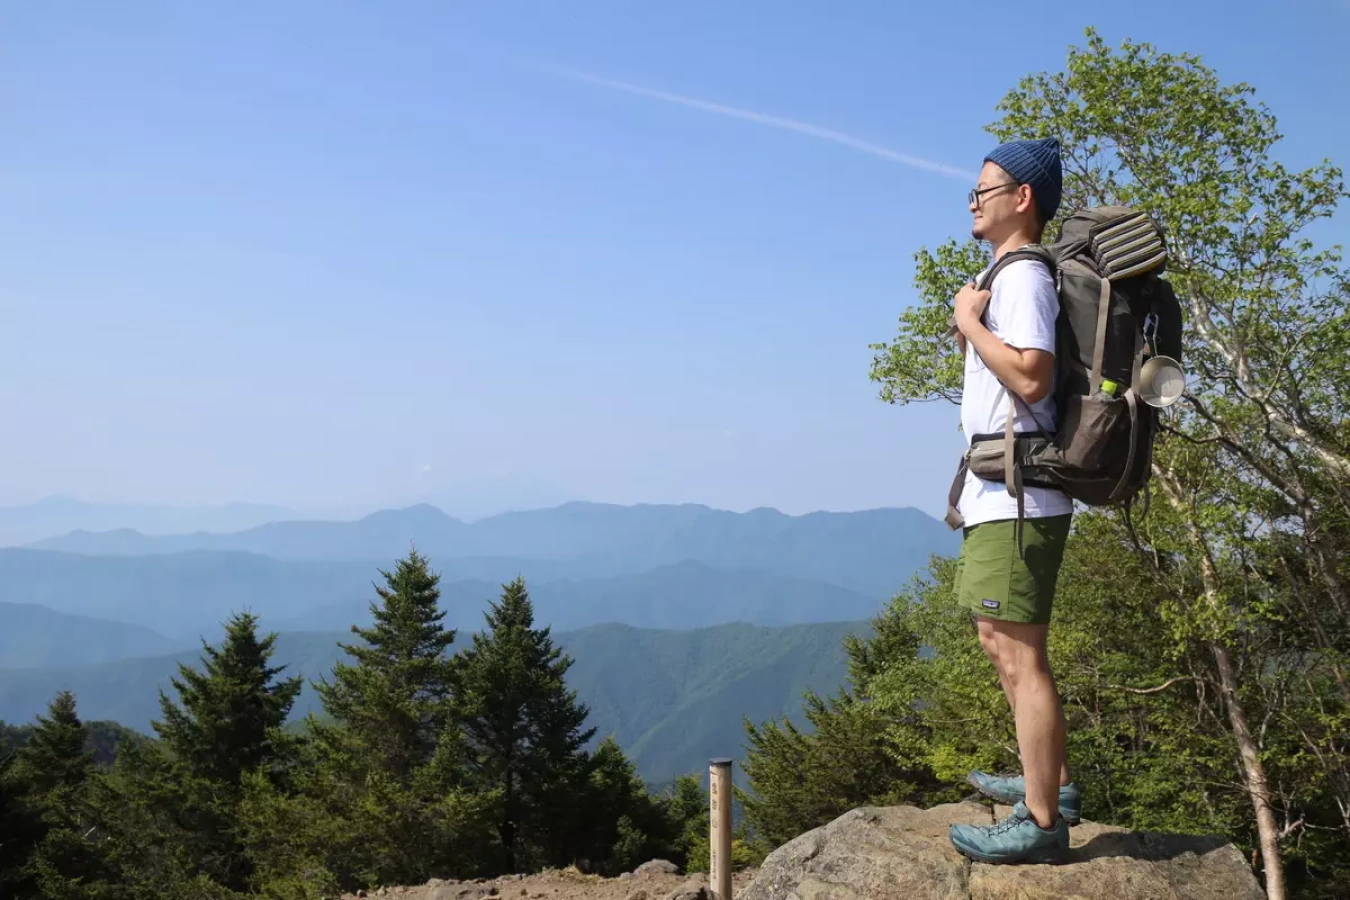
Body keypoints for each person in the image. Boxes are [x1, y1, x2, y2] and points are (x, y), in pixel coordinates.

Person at [944, 137, 1081, 865]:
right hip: (1003, 489)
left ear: (1021, 198)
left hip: (1022, 495)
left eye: (983, 190)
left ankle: (1042, 821)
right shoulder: (1006, 272)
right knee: (1000, 641)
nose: (973, 201)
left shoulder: (1024, 277)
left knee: (1021, 656)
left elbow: (1032, 378)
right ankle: (1049, 782)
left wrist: (970, 323)